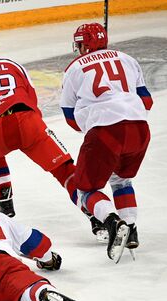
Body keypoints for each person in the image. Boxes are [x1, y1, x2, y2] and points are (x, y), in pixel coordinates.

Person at [0, 35, 79, 221]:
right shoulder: (14, 65)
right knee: (64, 170)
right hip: (30, 124)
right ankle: (97, 215)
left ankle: (5, 204)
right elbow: (31, 100)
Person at [60, 23, 153, 263]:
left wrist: (92, 127)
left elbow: (69, 113)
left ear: (85, 44)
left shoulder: (75, 67)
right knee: (121, 180)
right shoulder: (127, 58)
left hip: (104, 131)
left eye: (80, 44)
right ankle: (131, 229)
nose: (78, 48)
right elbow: (146, 100)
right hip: (140, 129)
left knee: (86, 189)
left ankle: (112, 222)